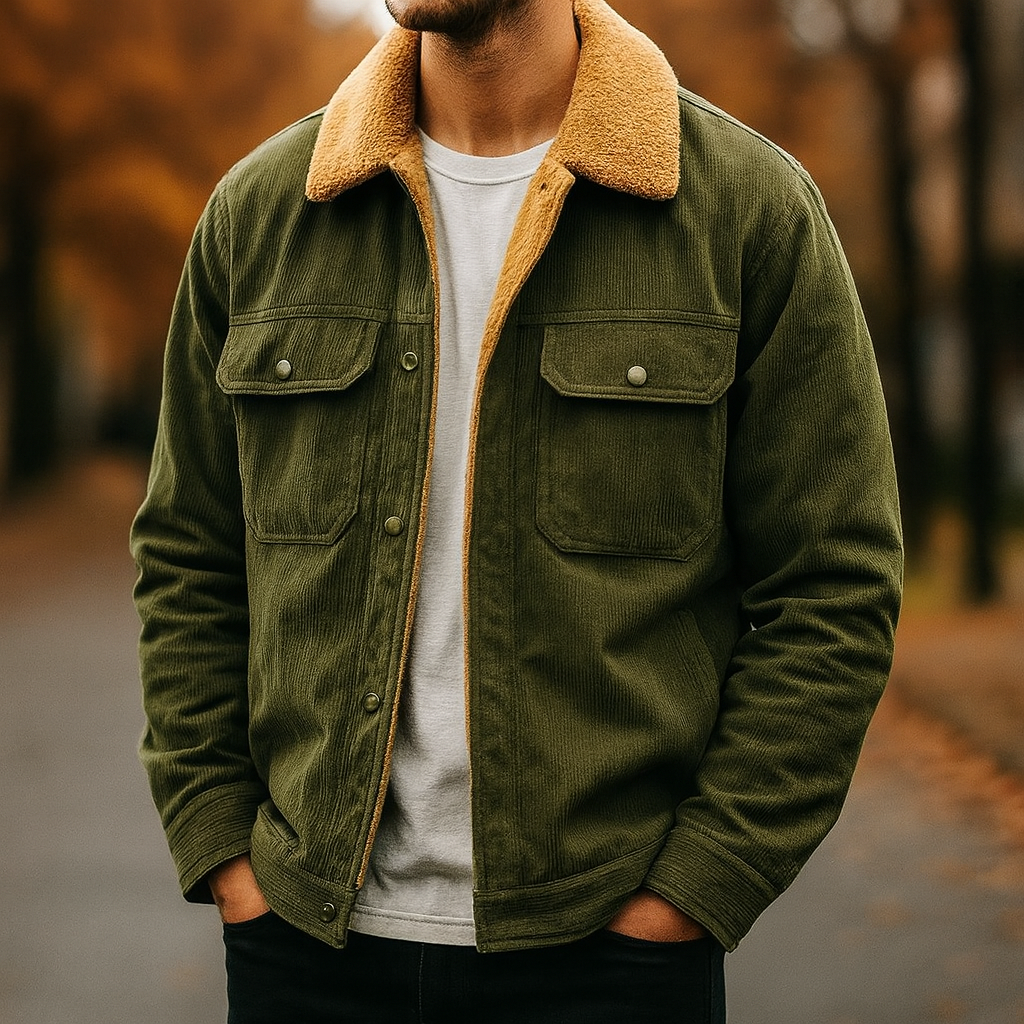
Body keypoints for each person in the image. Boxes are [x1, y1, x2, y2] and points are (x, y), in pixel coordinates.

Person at [131, 0, 903, 1020]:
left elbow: (833, 587)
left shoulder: (746, 212)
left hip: (609, 959)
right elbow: (188, 555)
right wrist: (223, 846)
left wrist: (698, 884)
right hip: (304, 946)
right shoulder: (262, 215)